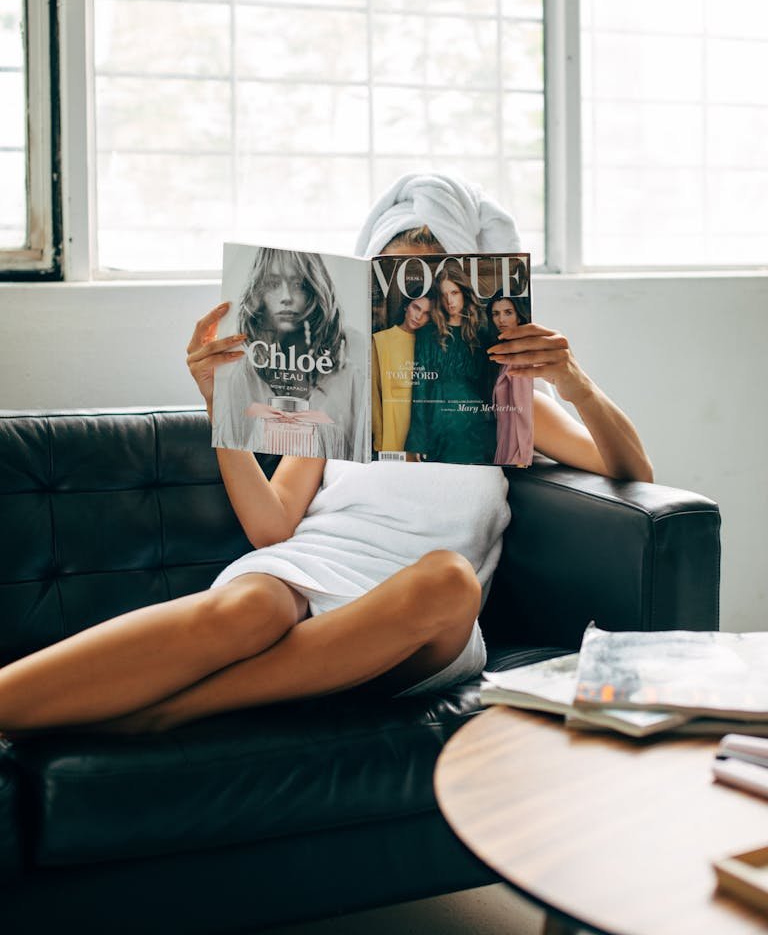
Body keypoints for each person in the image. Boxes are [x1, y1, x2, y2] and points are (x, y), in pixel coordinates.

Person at [0, 174, 653, 737]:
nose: (420, 302)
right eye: (397, 283)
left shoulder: (505, 396)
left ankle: (175, 710)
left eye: (438, 284)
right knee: (248, 607)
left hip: (416, 620)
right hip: (311, 569)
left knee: (448, 580)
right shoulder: (336, 385)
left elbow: (633, 474)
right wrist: (218, 404)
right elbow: (272, 528)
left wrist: (576, 383)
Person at [212, 248, 368, 461]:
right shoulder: (243, 374)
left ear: (314, 290)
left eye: (298, 285)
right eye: (273, 284)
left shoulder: (349, 370)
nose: (286, 298)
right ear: (259, 291)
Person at [405, 260, 498, 464]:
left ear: (464, 293)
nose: (450, 301)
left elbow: (488, 388)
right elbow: (420, 387)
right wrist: (418, 441)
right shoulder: (427, 335)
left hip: (475, 426)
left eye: (454, 293)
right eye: (444, 295)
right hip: (439, 424)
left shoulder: (481, 335)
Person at [371, 292, 433, 455]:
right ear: (406, 306)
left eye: (426, 313)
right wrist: (379, 436)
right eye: (416, 308)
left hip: (423, 434)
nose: (419, 316)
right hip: (392, 431)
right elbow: (374, 394)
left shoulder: (431, 345)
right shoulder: (381, 340)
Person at [487, 290, 534, 467]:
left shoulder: (522, 358)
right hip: (504, 441)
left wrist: (522, 457)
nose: (501, 320)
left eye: (508, 312)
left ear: (519, 316)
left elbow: (524, 413)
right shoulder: (504, 354)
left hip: (516, 451)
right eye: (496, 314)